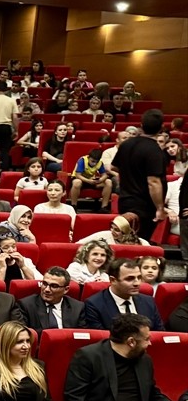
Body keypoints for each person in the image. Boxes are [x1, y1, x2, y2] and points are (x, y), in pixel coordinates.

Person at [114, 109, 167, 241]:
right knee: (139, 242)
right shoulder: (154, 150)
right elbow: (153, 182)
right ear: (161, 128)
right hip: (144, 205)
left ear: (141, 125)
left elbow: (114, 166)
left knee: (125, 240)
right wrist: (160, 208)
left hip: (125, 200)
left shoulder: (126, 144)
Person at [82, 257, 163, 330]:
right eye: (129, 279)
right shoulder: (94, 304)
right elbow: (100, 338)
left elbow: (159, 333)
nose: (137, 283)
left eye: (139, 278)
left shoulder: (148, 302)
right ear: (113, 280)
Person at [18, 267, 86, 331]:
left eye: (54, 286)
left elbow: (81, 336)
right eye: (44, 284)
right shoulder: (26, 305)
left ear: (66, 289)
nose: (47, 289)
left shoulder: (77, 308)